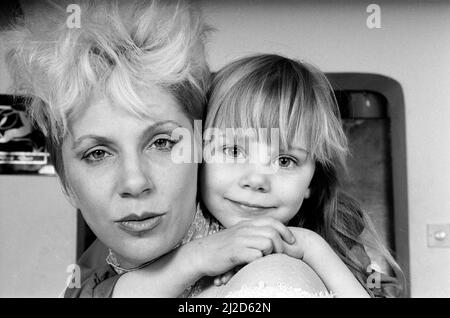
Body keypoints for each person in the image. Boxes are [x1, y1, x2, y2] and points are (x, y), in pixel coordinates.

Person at [3, 0, 321, 298]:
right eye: (97, 153)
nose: (134, 182)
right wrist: (194, 259)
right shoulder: (91, 276)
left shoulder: (282, 253)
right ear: (67, 184)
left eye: (161, 143)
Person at [110, 55, 405, 298]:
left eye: (286, 160)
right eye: (234, 151)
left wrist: (310, 246)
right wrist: (197, 258)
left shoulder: (327, 240)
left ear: (311, 184)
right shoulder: (170, 224)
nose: (257, 180)